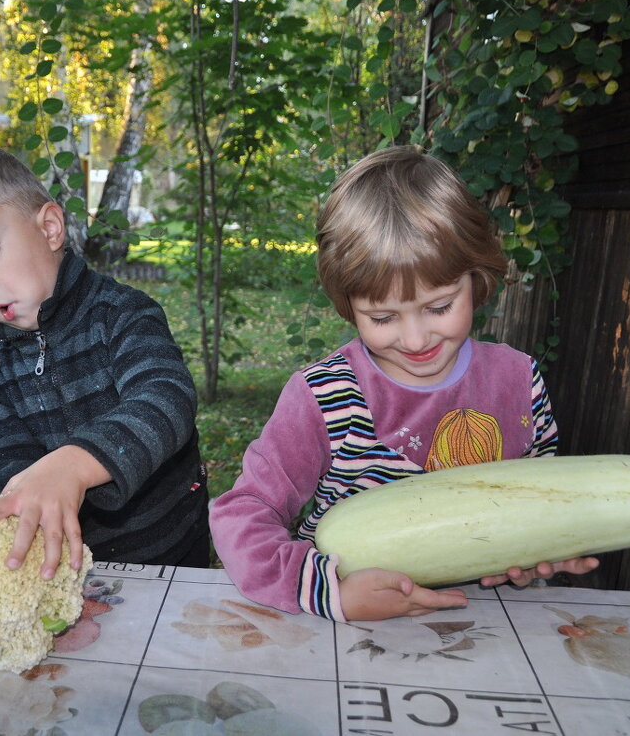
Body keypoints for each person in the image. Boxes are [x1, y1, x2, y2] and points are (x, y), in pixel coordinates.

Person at [209, 146, 597, 622]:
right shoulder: (326, 397)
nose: (415, 339)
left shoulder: (519, 381)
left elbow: (543, 503)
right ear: (348, 305)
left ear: (476, 280)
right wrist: (331, 592)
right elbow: (243, 511)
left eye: (438, 308)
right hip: (345, 626)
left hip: (490, 621)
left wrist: (543, 553)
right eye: (383, 317)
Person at [0, 144, 209, 579]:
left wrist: (73, 464)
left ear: (50, 228)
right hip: (72, 568)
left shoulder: (121, 314)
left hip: (172, 556)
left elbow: (165, 399)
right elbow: (4, 462)